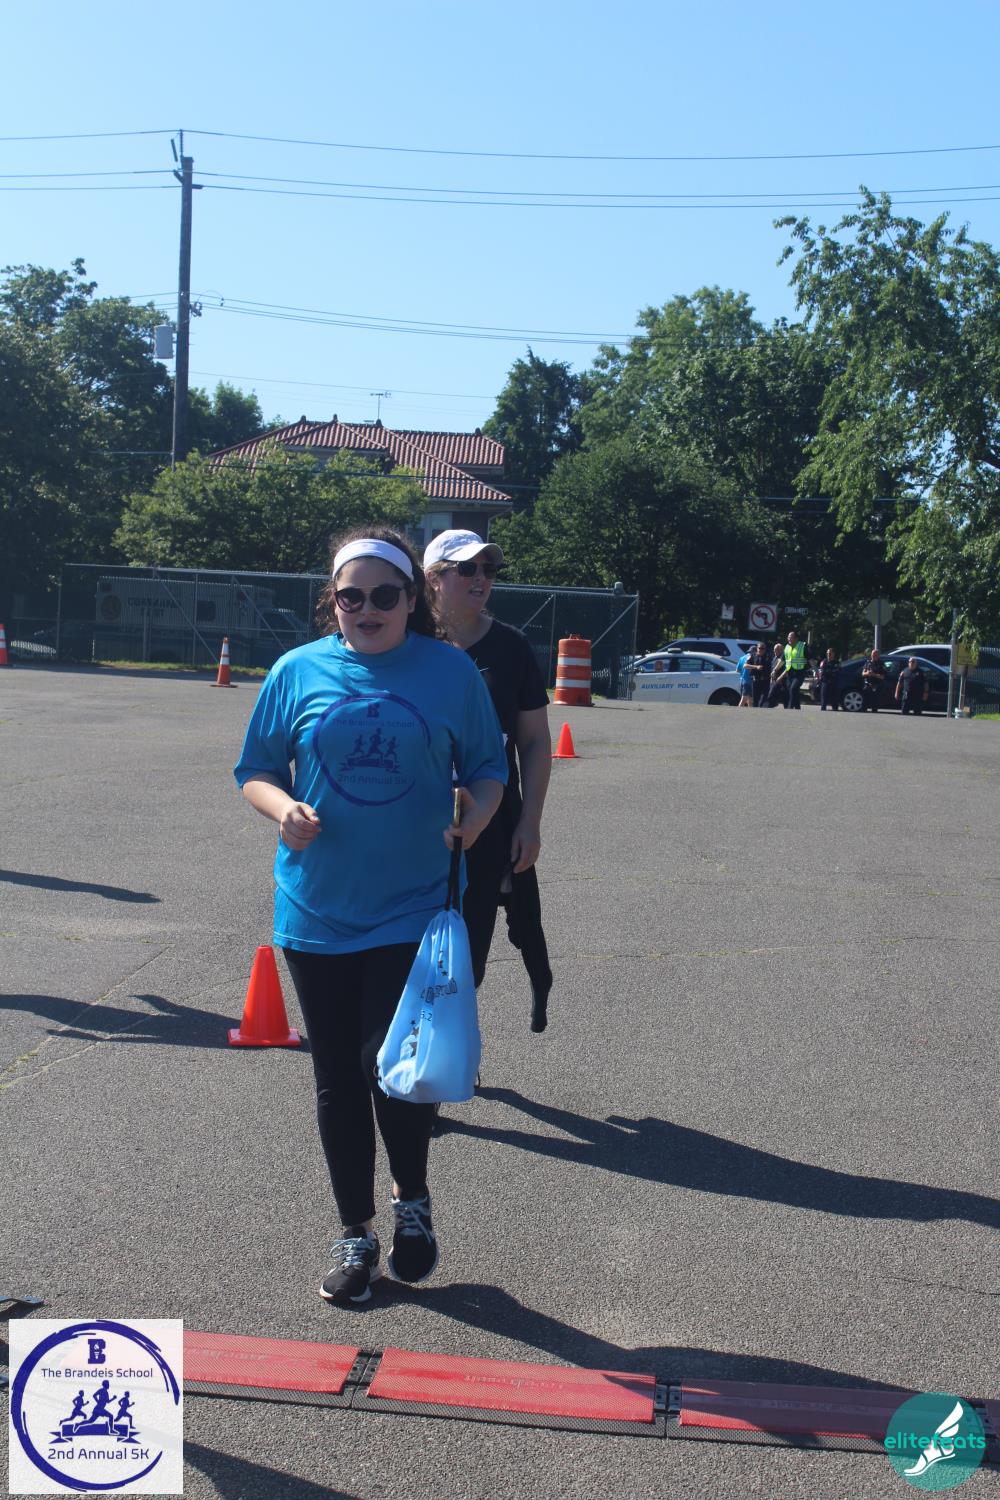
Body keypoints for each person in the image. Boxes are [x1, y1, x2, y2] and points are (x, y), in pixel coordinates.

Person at [235, 527, 507, 1306]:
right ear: (333, 601)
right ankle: (355, 1233)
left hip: (411, 905)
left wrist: (478, 818)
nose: (366, 609)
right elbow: (255, 768)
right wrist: (282, 809)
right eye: (349, 597)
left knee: (386, 1066)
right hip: (315, 905)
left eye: (383, 595)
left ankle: (410, 1199)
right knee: (335, 1079)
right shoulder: (296, 671)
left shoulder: (449, 671)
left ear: (412, 598)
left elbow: (489, 766)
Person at [423, 530, 553, 1032]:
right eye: (467, 569)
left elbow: (535, 741)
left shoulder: (511, 647)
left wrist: (530, 822)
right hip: (414, 823)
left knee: (468, 953)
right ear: (433, 578)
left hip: (487, 823)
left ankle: (449, 1054)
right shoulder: (408, 642)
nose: (481, 579)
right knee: (406, 949)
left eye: (488, 570)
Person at [783, 631, 807, 710]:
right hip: (790, 674)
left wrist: (816, 671)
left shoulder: (803, 646)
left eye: (791, 637)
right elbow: (782, 660)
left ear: (796, 638)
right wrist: (775, 670)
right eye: (788, 637)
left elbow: (811, 659)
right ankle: (797, 708)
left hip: (800, 673)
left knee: (793, 689)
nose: (789, 639)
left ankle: (790, 708)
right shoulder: (787, 647)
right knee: (793, 691)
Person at [860, 648, 886, 712]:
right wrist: (867, 673)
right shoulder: (868, 663)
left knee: (874, 705)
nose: (874, 656)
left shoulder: (881, 664)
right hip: (867, 685)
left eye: (875, 655)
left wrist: (874, 674)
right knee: (864, 704)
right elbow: (863, 673)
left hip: (876, 686)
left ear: (878, 655)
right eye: (873, 655)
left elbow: (882, 677)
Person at [765, 642, 787, 707]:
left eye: (776, 650)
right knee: (770, 696)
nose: (774, 651)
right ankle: (769, 707)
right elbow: (772, 669)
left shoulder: (783, 658)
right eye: (774, 650)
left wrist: (780, 678)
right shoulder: (774, 658)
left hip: (782, 681)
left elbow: (786, 669)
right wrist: (771, 679)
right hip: (774, 681)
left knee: (785, 699)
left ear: (781, 650)